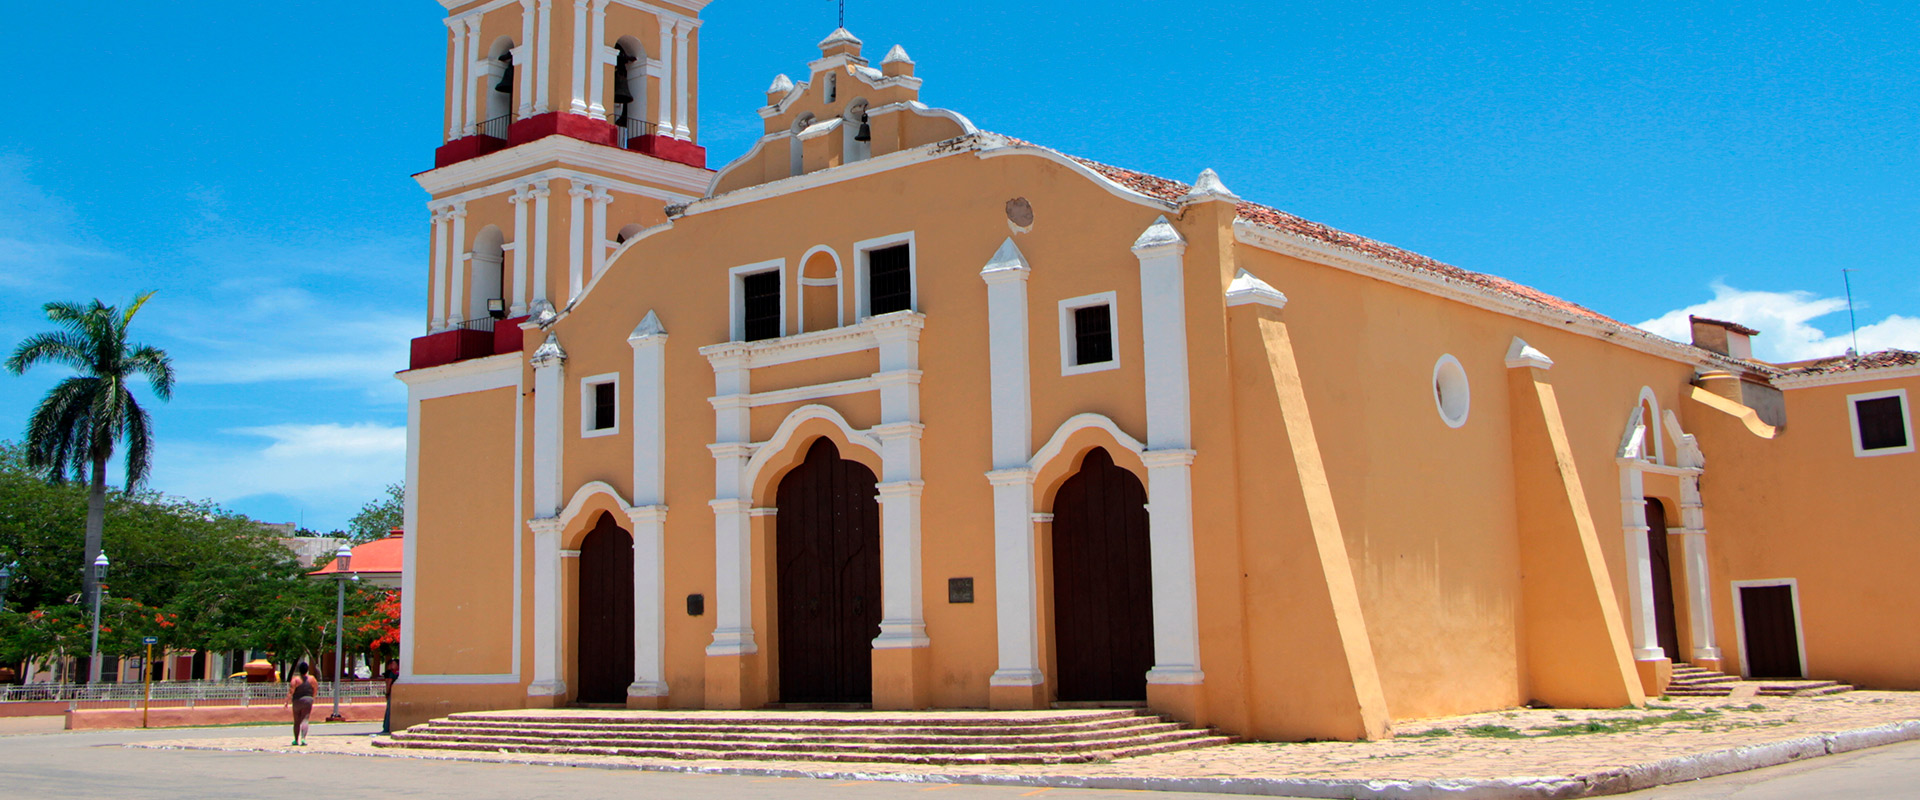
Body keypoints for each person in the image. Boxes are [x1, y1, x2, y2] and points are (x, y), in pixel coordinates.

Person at [284, 661, 317, 746]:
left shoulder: (295, 679)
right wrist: (312, 698)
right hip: (308, 700)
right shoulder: (312, 679)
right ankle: (303, 739)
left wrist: (286, 701)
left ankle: (296, 739)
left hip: (297, 701)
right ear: (307, 670)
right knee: (305, 720)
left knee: (297, 721)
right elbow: (315, 689)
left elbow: (291, 691)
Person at [380, 659, 400, 735]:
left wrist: (387, 692)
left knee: (389, 710)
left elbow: (388, 683)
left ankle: (386, 727)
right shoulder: (399, 673)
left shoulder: (392, 673)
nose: (392, 665)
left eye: (393, 664)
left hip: (392, 693)